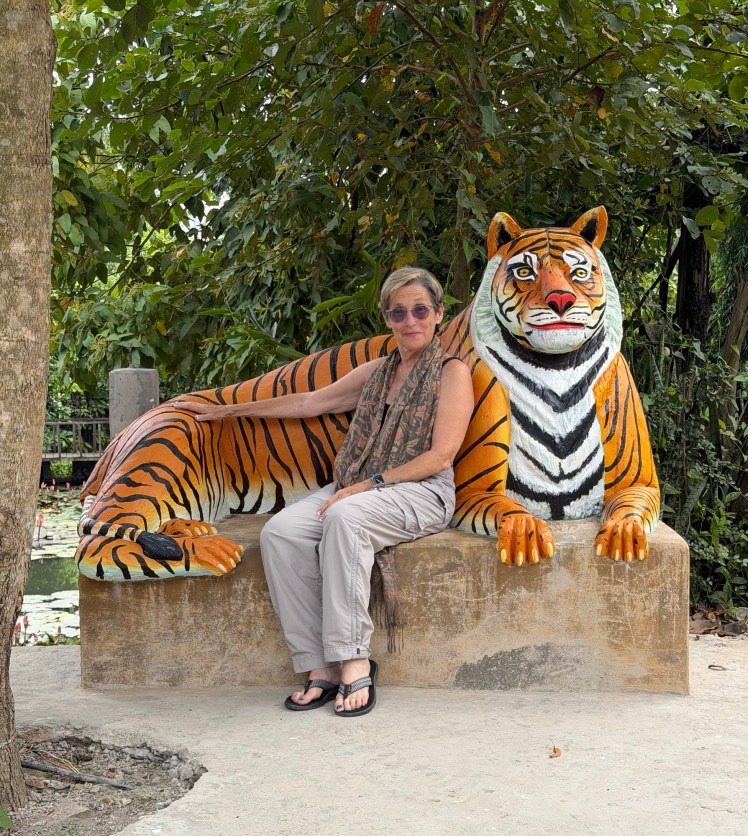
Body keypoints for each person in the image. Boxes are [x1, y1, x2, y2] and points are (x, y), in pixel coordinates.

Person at [174, 267, 473, 716]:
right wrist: (228, 410)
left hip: (420, 490)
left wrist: (364, 487)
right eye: (398, 313)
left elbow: (441, 456)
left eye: (420, 310)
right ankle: (320, 665)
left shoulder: (451, 372)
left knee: (344, 516)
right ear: (387, 319)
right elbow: (309, 402)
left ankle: (353, 661)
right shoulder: (379, 372)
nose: (410, 321)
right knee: (281, 533)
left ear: (438, 313)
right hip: (360, 482)